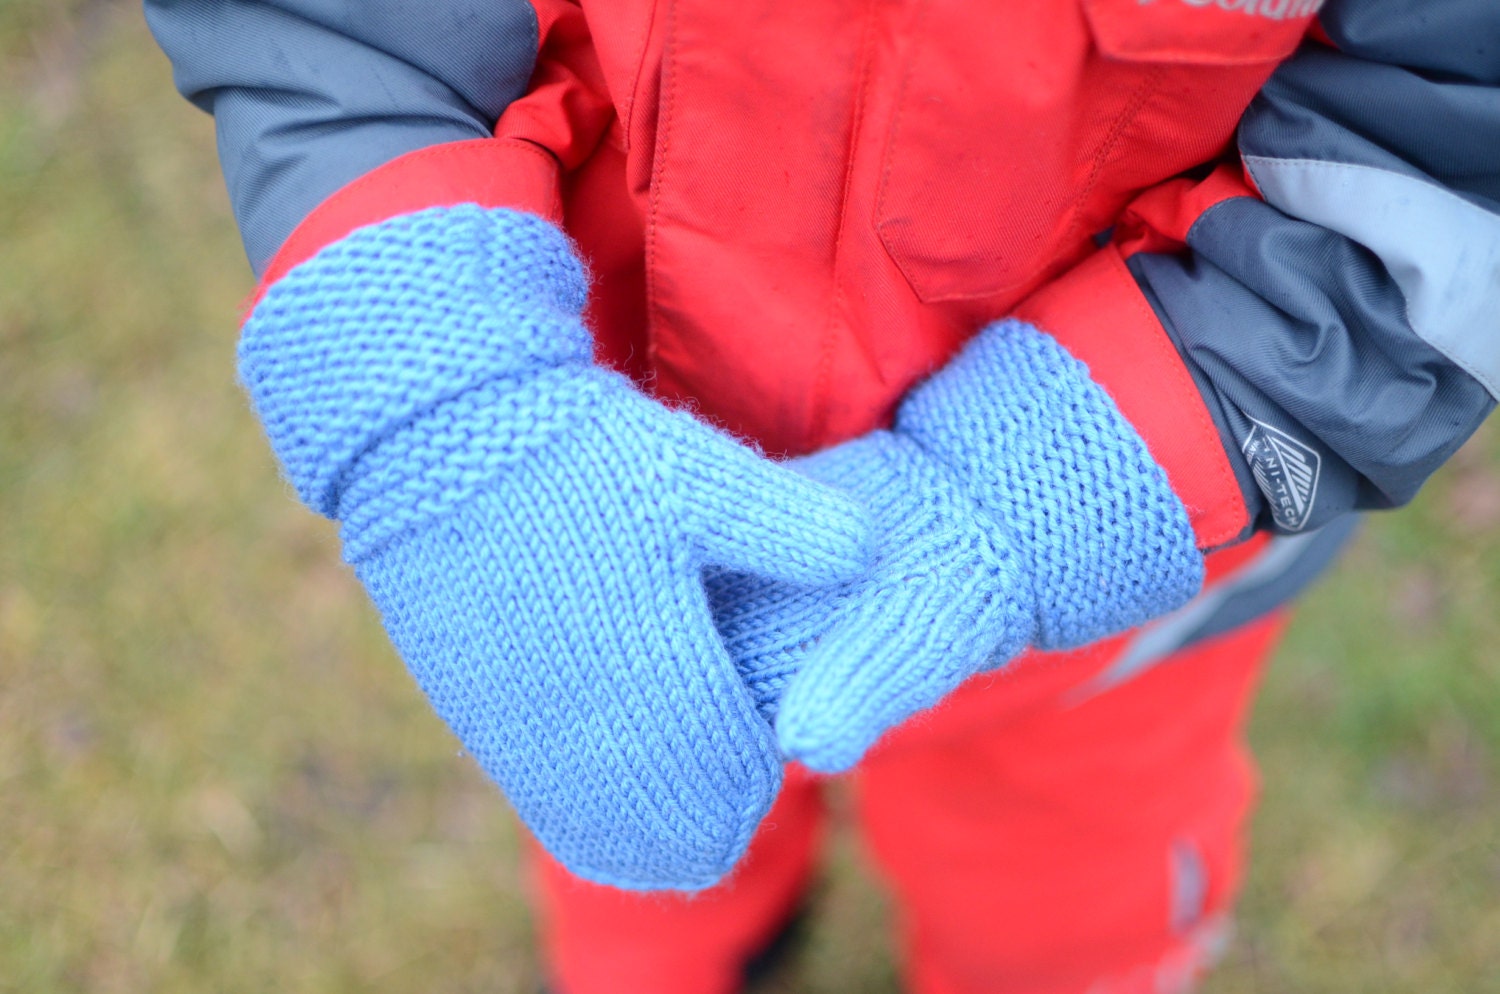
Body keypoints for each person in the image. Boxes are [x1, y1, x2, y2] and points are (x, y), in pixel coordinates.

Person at [144, 0, 1499, 991]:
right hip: (603, 501)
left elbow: (1444, 169)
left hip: (1115, 592)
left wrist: (1049, 491)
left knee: (1061, 917)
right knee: (631, 828)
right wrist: (432, 385)